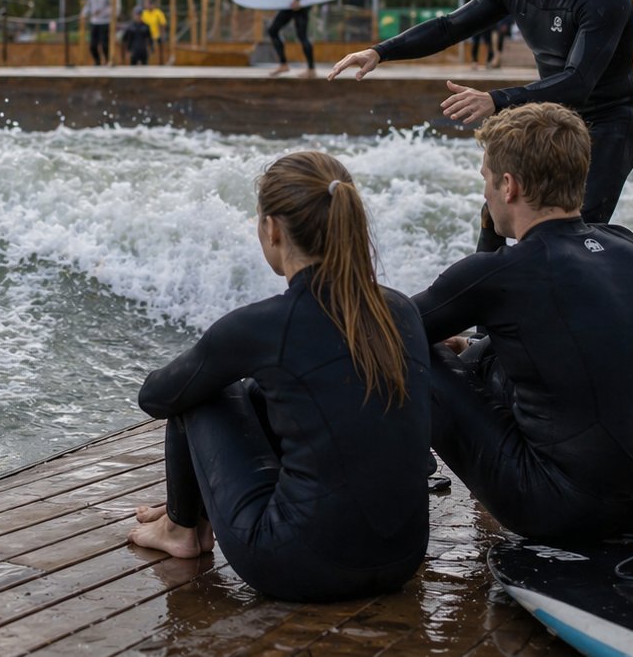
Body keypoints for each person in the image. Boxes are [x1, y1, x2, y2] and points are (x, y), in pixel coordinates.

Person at [128, 151, 431, 602]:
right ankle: (191, 513)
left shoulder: (263, 327)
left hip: (299, 564)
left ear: (271, 228)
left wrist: (215, 359)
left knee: (206, 390)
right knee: (261, 388)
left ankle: (181, 529)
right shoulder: (399, 310)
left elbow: (157, 397)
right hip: (400, 559)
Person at [328, 0, 633, 246]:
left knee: (570, 237)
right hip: (553, 121)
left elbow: (577, 83)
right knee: (495, 214)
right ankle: (482, 294)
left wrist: (495, 100)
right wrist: (380, 51)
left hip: (607, 126)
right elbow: (449, 27)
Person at [412, 102, 633, 542]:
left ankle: (387, 478)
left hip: (553, 509)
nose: (486, 194)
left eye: (486, 181)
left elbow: (381, 328)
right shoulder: (624, 246)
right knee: (487, 353)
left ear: (509, 185)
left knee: (403, 344)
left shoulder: (501, 273)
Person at [79, 0, 113, 66]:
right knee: (93, 45)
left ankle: (107, 61)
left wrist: (103, 12)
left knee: (105, 44)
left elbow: (115, 6)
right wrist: (84, 14)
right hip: (94, 21)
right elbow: (88, 4)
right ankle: (97, 62)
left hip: (105, 22)